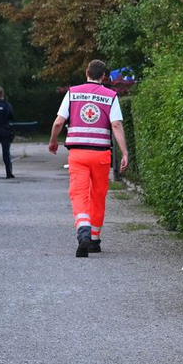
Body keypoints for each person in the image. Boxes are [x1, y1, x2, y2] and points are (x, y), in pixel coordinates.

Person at [48, 59, 130, 257]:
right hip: (101, 155)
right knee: (98, 196)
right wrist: (125, 152)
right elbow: (116, 125)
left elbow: (58, 122)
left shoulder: (73, 93)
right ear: (104, 76)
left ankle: (83, 229)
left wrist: (53, 141)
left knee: (79, 193)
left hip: (78, 154)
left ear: (86, 72)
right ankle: (94, 239)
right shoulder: (110, 96)